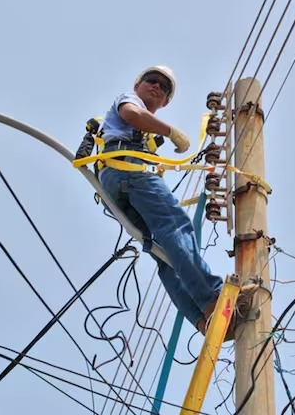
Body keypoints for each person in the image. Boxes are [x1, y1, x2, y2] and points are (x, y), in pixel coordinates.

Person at [98, 66, 256, 339]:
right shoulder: (128, 100)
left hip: (117, 182)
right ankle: (213, 298)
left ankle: (202, 320)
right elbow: (131, 115)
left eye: (164, 87)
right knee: (175, 226)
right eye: (152, 80)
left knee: (165, 257)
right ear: (138, 84)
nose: (157, 86)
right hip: (128, 170)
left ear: (166, 101)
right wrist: (172, 132)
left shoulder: (144, 137)